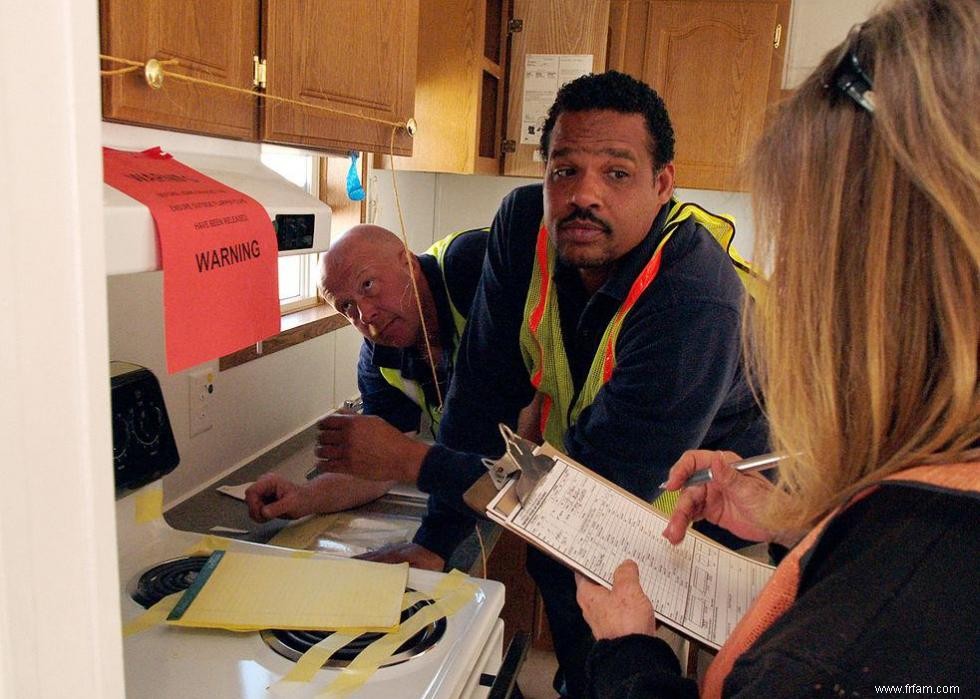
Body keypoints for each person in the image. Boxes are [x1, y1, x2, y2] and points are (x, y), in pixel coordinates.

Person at [315, 72, 768, 697]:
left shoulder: (695, 299)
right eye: (564, 171)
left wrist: (412, 460)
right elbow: (480, 395)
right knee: (559, 576)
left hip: (707, 494)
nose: (583, 196)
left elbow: (589, 506)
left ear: (662, 184)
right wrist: (436, 543)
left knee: (622, 639)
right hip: (584, 472)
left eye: (616, 173)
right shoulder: (523, 225)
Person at [575, 0, 980, 695]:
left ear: (878, 287)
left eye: (799, 241)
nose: (783, 282)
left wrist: (629, 653)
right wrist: (802, 521)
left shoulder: (837, 656)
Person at [245, 224, 488, 534]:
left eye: (368, 285)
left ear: (409, 264)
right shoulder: (378, 361)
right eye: (347, 306)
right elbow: (380, 465)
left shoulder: (471, 265)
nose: (365, 316)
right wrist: (305, 497)